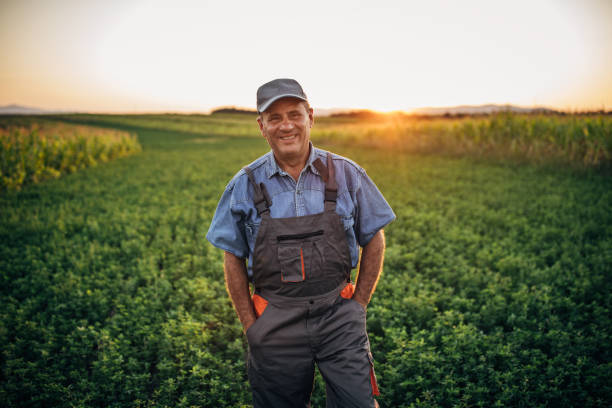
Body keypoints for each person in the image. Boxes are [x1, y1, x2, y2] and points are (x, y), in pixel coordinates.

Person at [206, 78, 395, 407]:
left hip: (339, 316)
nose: (286, 126)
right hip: (275, 322)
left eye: (294, 114)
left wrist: (358, 306)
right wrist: (252, 326)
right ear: (261, 126)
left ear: (310, 116)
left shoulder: (347, 174)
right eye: (274, 118)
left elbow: (374, 238)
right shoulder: (244, 185)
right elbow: (232, 257)